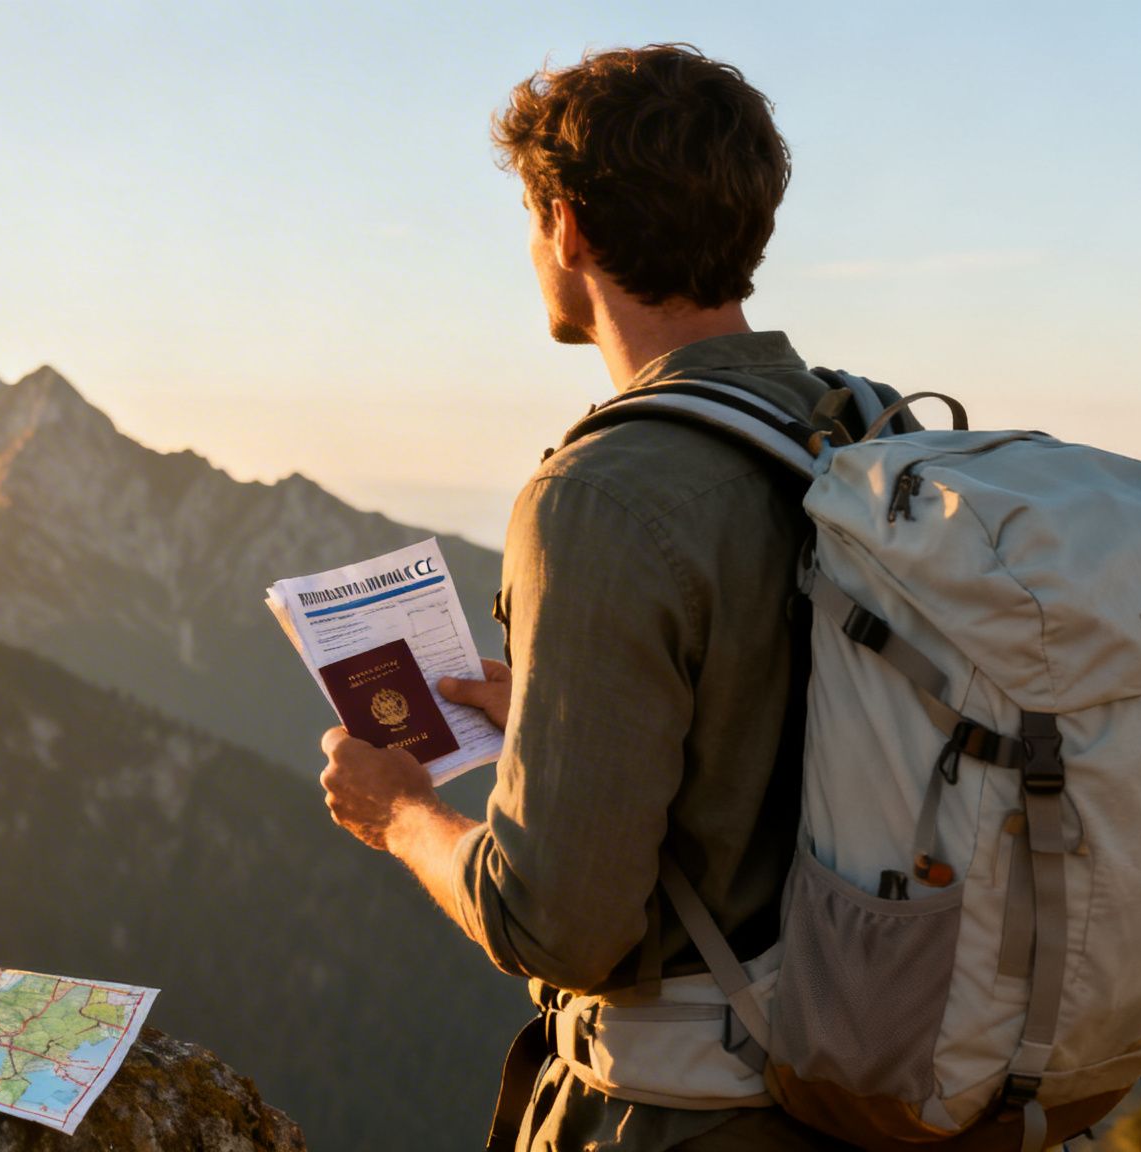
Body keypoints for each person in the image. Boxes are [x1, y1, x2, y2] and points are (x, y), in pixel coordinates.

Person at [317, 44, 869, 1151]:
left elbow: (558, 926)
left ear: (564, 225)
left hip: (693, 1116)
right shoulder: (851, 432)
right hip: (873, 1070)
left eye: (530, 221)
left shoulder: (600, 496)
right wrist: (560, 717)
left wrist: (402, 816)